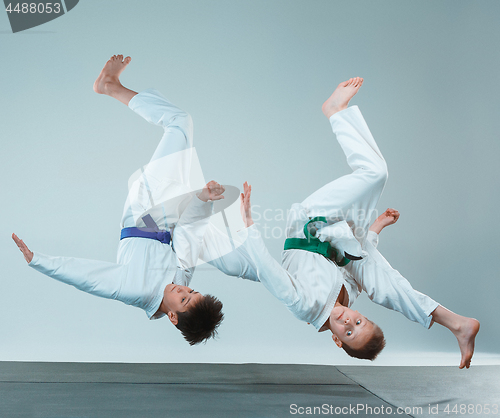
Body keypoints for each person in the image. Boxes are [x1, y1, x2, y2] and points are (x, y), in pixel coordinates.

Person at [238, 77, 480, 368]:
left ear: (337, 340)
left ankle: (335, 111)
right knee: (383, 286)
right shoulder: (347, 297)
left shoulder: (306, 307)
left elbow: (268, 271)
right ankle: (457, 324)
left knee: (375, 173)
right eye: (360, 321)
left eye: (349, 331)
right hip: (339, 236)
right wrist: (378, 227)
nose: (349, 320)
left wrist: (249, 223)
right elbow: (357, 257)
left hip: (310, 224)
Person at [12, 54, 238, 345]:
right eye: (192, 293)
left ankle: (109, 86)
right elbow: (189, 237)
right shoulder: (179, 284)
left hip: (145, 213)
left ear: (172, 316)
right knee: (181, 124)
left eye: (183, 299)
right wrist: (203, 201)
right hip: (166, 216)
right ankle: (109, 86)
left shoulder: (135, 291)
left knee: (181, 123)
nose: (184, 291)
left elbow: (89, 278)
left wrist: (38, 261)